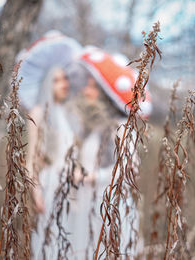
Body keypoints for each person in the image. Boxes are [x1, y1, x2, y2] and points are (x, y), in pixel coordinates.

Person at [66, 47, 152, 259]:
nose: (86, 91)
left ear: (105, 93)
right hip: (87, 204)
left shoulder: (121, 127)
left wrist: (89, 177)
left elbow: (129, 171)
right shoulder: (94, 127)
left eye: (92, 86)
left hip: (109, 207)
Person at [16, 30, 82, 259]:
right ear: (46, 83)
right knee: (51, 242)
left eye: (64, 78)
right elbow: (31, 159)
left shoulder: (70, 112)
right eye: (56, 80)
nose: (63, 84)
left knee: (76, 242)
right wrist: (36, 193)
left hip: (75, 187)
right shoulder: (38, 112)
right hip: (50, 185)